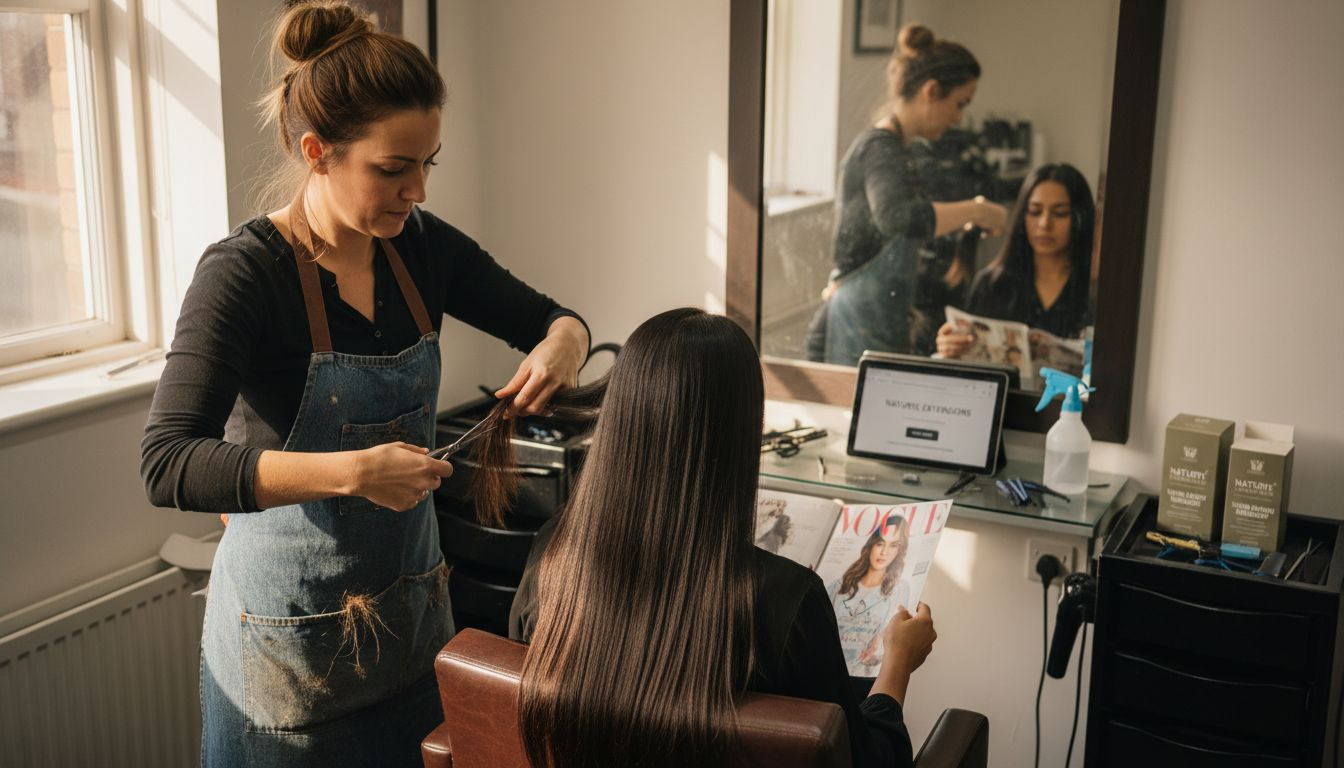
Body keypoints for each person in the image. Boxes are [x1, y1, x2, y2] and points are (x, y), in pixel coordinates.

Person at [138, 3, 588, 765]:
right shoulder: (244, 275)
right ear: (318, 151)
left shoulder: (420, 250)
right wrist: (353, 473)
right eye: (392, 168)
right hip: (288, 663)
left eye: (427, 163)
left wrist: (564, 345)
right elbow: (168, 462)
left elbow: (554, 318)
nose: (417, 190)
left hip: (412, 639)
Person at [509, 308, 937, 768]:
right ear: (743, 433)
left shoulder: (554, 549)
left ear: (619, 419)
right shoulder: (788, 601)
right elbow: (866, 761)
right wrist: (896, 666)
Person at [813, 23, 1007, 365]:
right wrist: (976, 210)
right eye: (959, 104)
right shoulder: (880, 149)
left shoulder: (901, 150)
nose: (959, 118)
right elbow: (899, 217)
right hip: (857, 319)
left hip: (875, 316)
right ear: (931, 90)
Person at [935, 163, 1096, 362]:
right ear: (1022, 216)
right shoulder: (992, 284)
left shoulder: (1095, 290)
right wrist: (950, 349)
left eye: (1060, 213)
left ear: (1081, 219)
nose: (1045, 224)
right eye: (1035, 212)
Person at [826, 522, 912, 675]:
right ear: (870, 546)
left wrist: (877, 647)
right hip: (822, 671)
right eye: (880, 543)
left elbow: (893, 639)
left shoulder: (900, 589)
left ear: (899, 551)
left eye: (893, 545)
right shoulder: (837, 586)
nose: (884, 552)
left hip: (864, 680)